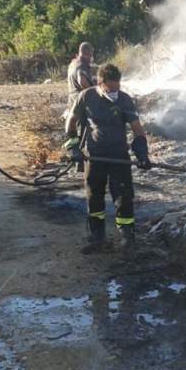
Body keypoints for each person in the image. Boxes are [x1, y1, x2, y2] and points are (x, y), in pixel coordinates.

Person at [64, 64, 151, 253]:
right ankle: (97, 238)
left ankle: (127, 238)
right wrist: (73, 147)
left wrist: (142, 154)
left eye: (117, 88)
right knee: (94, 197)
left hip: (119, 156)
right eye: (110, 89)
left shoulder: (124, 100)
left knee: (124, 197)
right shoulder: (86, 97)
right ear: (100, 84)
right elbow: (71, 121)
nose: (114, 93)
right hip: (94, 157)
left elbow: (137, 130)